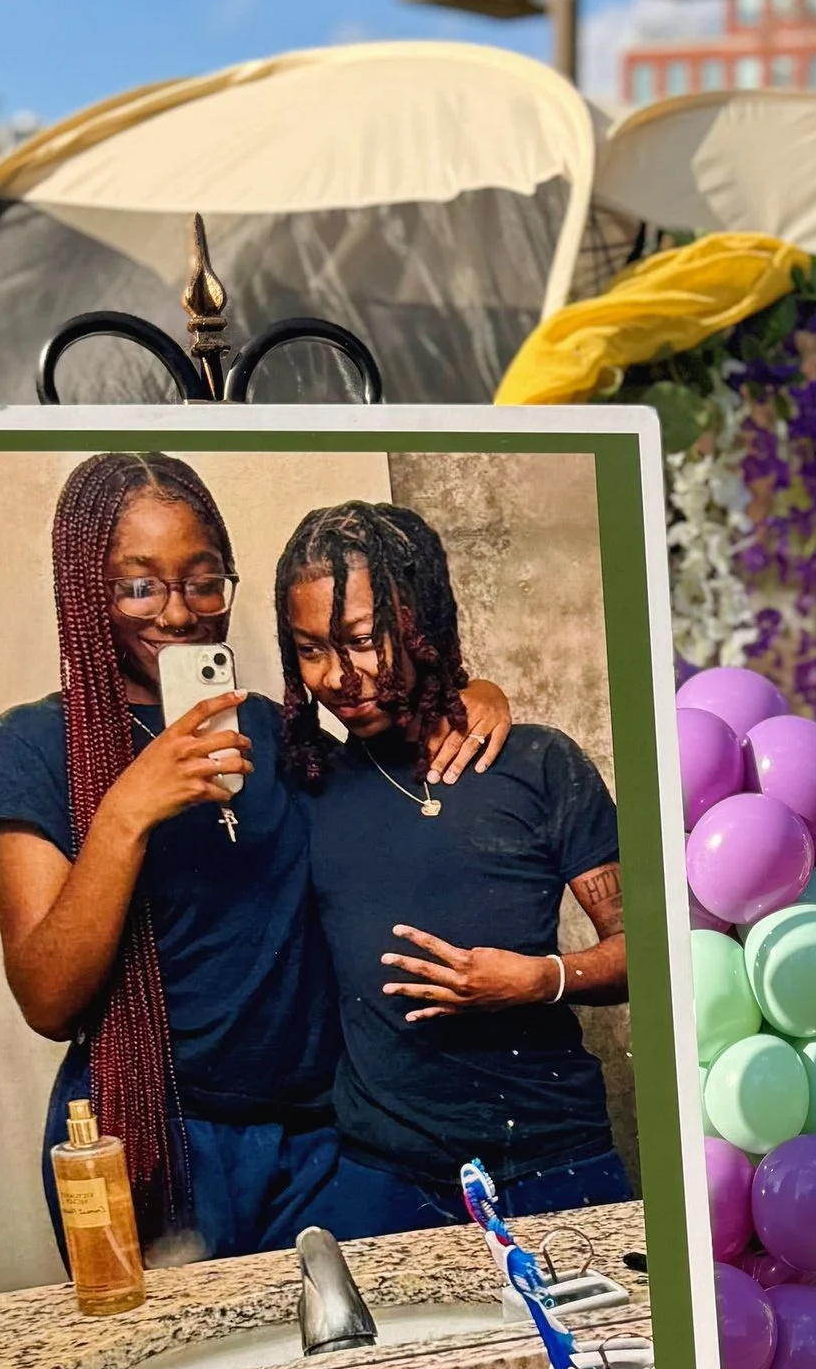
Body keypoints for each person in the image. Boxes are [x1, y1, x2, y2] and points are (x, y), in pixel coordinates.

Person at [0, 452, 506, 1263]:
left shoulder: (271, 728)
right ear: (86, 589)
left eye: (204, 579)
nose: (180, 614)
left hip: (324, 1140)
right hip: (152, 1132)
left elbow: (387, 803)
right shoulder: (36, 743)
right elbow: (47, 997)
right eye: (140, 585)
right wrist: (126, 813)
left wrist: (470, 694)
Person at [271, 499, 632, 1237]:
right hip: (384, 1177)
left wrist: (539, 979)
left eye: (363, 639)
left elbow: (650, 953)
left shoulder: (537, 763)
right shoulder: (307, 786)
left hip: (554, 1158)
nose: (339, 675)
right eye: (310, 649)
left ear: (421, 622)